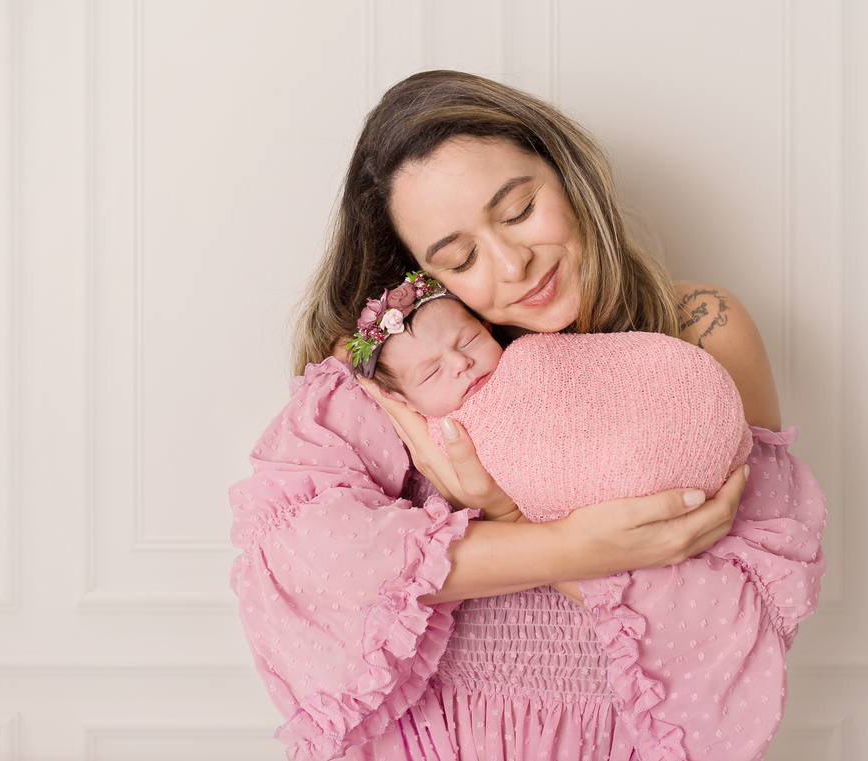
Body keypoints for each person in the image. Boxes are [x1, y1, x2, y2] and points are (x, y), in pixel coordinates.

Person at [229, 70, 825, 761]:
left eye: (518, 211)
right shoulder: (400, 370)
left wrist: (508, 518)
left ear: (566, 170)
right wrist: (571, 550)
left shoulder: (700, 335)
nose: (513, 265)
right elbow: (306, 558)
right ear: (422, 275)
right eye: (460, 257)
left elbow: (741, 625)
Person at [349, 270, 753, 524]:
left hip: (659, 424)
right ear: (404, 401)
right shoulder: (440, 439)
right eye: (432, 372)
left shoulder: (531, 357)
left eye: (468, 340)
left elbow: (604, 383)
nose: (460, 363)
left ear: (487, 327)